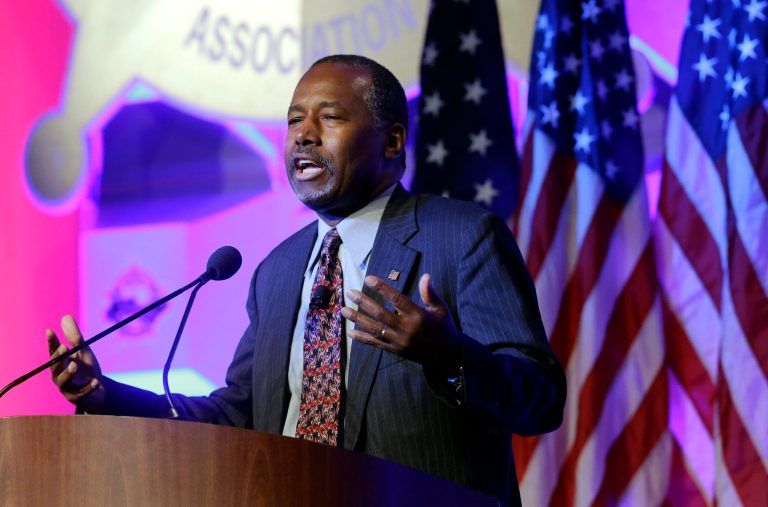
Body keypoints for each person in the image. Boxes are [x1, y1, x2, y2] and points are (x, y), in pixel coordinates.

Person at [47, 54, 566, 506]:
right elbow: (237, 417)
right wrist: (106, 395)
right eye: (294, 120)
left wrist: (447, 356)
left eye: (330, 117)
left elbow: (541, 399)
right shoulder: (276, 272)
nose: (304, 134)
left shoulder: (461, 236)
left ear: (392, 141)